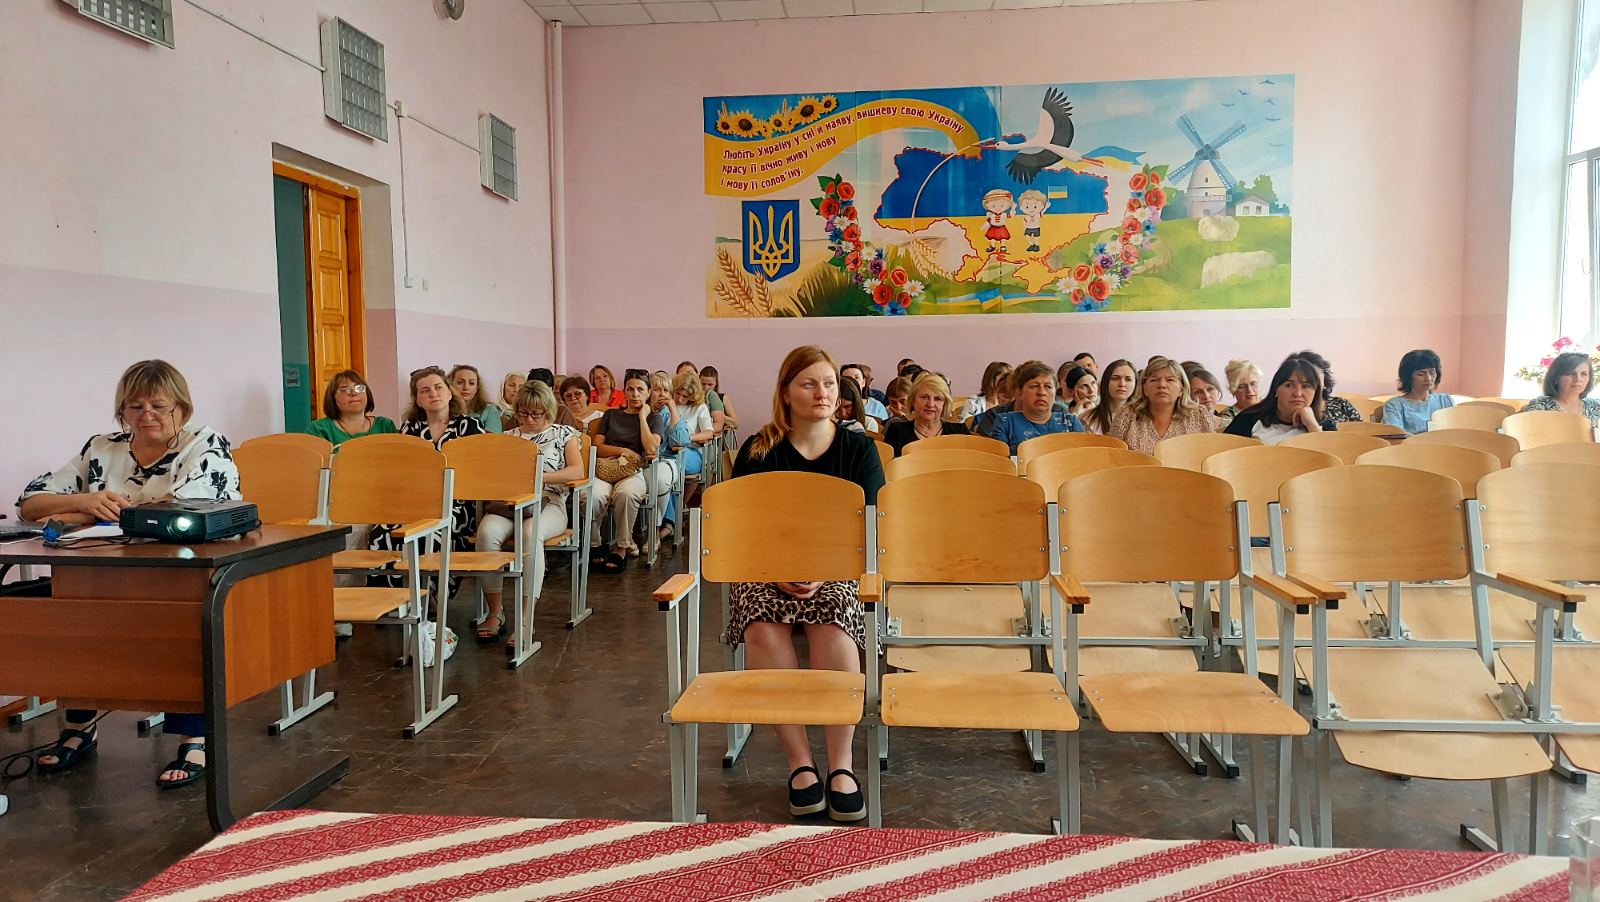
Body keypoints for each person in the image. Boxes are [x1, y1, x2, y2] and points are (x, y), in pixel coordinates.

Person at [17, 360, 240, 788]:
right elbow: (30, 504)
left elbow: (181, 512)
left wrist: (81, 514)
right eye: (135, 407)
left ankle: (194, 738)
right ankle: (80, 728)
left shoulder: (204, 444)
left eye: (159, 406)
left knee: (179, 629)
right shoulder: (102, 447)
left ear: (181, 407)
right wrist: (82, 502)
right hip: (102, 569)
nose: (146, 415)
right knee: (75, 619)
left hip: (181, 569)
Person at [730, 345, 883, 823]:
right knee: (761, 624)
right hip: (765, 566)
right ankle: (800, 763)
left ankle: (841, 764)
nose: (823, 393)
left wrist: (826, 567)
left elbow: (869, 527)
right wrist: (775, 569)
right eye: (809, 383)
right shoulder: (758, 449)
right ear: (786, 392)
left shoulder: (859, 449)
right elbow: (742, 524)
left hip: (837, 566)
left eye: (830, 384)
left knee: (834, 619)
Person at [475, 381, 583, 644]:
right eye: (523, 413)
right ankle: (496, 611)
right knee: (486, 533)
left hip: (549, 501)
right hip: (510, 502)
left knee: (529, 533)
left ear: (548, 410)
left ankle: (525, 618)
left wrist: (539, 477)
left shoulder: (564, 434)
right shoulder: (509, 437)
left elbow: (577, 470)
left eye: (536, 413)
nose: (530, 419)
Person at [369, 367, 486, 597]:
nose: (433, 393)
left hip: (456, 502)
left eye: (438, 387)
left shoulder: (470, 427)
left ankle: (427, 599)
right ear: (418, 400)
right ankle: (390, 599)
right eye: (425, 390)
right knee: (381, 531)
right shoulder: (410, 428)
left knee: (427, 534)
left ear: (450, 393)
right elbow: (401, 471)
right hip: (414, 501)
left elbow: (479, 472)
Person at [590, 369, 668, 572]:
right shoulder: (611, 415)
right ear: (624, 391)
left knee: (627, 494)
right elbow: (597, 446)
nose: (635, 394)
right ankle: (595, 544)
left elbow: (651, 449)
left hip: (633, 471)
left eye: (640, 389)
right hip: (606, 466)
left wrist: (642, 418)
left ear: (648, 392)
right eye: (630, 389)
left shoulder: (654, 419)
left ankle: (621, 548)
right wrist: (623, 451)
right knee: (593, 495)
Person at [1225, 354, 1339, 445]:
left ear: (1316, 392)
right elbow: (1225, 457)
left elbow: (1334, 463)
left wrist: (1312, 425)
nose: (1298, 394)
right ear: (1276, 389)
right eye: (1289, 385)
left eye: (1306, 386)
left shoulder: (1325, 426)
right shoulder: (1249, 419)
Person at [1110, 356, 1214, 455]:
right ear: (1145, 388)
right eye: (1154, 380)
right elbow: (1112, 455)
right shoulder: (1127, 414)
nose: (1162, 385)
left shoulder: (1199, 414)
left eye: (1170, 380)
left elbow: (1211, 455)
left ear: (1182, 389)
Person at [657, 372, 714, 541]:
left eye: (685, 396)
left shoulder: (699, 407)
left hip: (692, 452)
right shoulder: (666, 404)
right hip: (668, 452)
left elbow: (709, 433)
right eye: (678, 394)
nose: (680, 399)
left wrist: (687, 438)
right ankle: (670, 521)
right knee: (664, 470)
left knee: (668, 465)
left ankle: (669, 522)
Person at [987, 360, 1086, 453]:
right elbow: (1001, 462)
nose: (1041, 392)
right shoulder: (1005, 423)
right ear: (1020, 393)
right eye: (1034, 386)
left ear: (1055, 394)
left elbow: (1084, 459)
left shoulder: (1071, 423)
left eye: (1048, 386)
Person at [882, 372, 970, 455]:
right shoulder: (897, 431)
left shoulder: (960, 432)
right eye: (924, 397)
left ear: (945, 404)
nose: (930, 404)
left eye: (937, 399)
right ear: (913, 400)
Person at [306, 369, 398, 446]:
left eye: (359, 388)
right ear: (333, 397)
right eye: (345, 389)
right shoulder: (319, 429)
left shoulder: (385, 426)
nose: (353, 393)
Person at [1380, 349, 1453, 434]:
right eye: (1421, 374)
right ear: (1408, 377)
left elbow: (1458, 431)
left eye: (1432, 373)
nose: (1428, 379)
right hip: (1412, 443)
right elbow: (1395, 436)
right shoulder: (1395, 405)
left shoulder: (1445, 400)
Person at [1523, 351, 1600, 425]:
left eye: (1583, 374)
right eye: (1571, 374)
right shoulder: (1540, 406)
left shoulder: (1595, 407)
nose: (1578, 379)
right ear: (1556, 377)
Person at [1295, 351, 1364, 423]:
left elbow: (1363, 428)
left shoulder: (1341, 404)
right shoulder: (1294, 407)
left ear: (1324, 378)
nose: (1312, 379)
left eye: (1316, 373)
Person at [1084, 358, 1135, 435]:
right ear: (1106, 382)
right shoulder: (1087, 418)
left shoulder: (1143, 419)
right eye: (1115, 378)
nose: (1122, 384)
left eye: (1128, 379)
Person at [449, 364, 503, 434]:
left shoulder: (489, 410)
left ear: (477, 388)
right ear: (450, 385)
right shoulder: (443, 409)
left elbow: (494, 439)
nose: (466, 387)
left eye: (471, 383)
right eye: (460, 382)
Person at [1186, 366, 1232, 430]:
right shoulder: (1184, 427)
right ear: (1188, 396)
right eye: (1198, 392)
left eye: (1210, 389)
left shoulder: (1231, 424)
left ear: (1218, 390)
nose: (1206, 396)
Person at [699, 365, 742, 431]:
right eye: (703, 384)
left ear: (716, 384)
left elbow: (736, 423)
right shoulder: (693, 399)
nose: (706, 388)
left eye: (710, 384)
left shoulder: (723, 398)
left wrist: (718, 415)